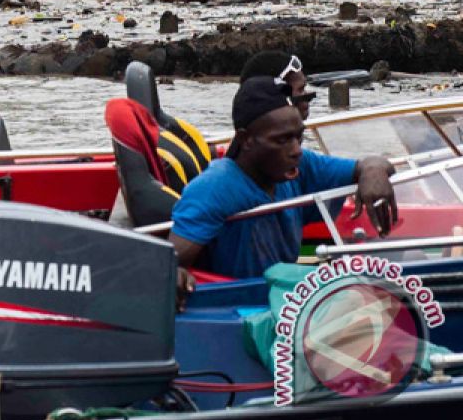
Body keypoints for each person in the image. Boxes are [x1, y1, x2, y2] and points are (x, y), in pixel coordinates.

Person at [170, 76, 397, 308]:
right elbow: (169, 261)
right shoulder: (216, 186)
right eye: (282, 140)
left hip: (286, 300)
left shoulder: (301, 165)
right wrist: (176, 273)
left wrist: (373, 172)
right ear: (246, 140)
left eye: (298, 137)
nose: (296, 150)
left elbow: (371, 164)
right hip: (242, 307)